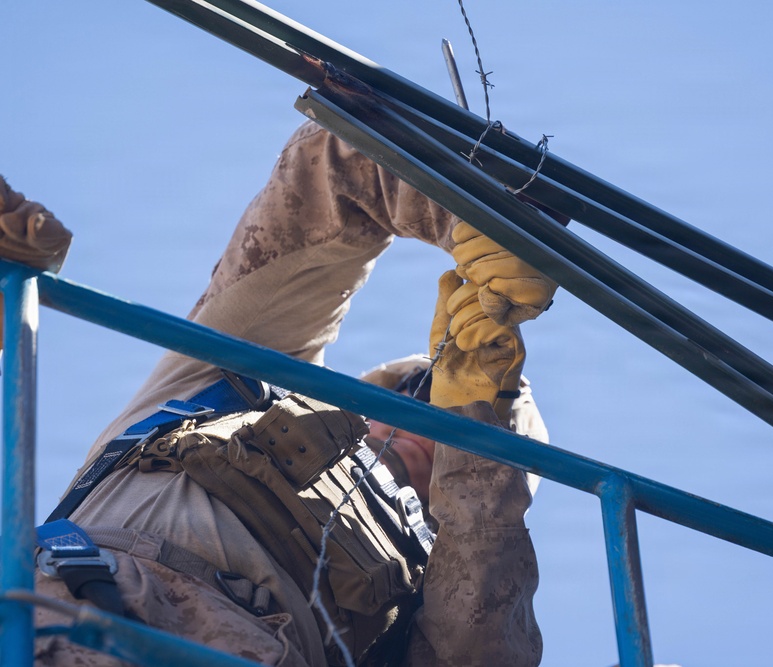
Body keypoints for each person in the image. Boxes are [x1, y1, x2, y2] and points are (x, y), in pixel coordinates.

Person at [5, 118, 558, 666]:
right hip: (46, 619)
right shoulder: (239, 381)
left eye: (458, 405)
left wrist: (481, 456)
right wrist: (473, 218)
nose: (423, 418)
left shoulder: (444, 581)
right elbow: (332, 169)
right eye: (423, 388)